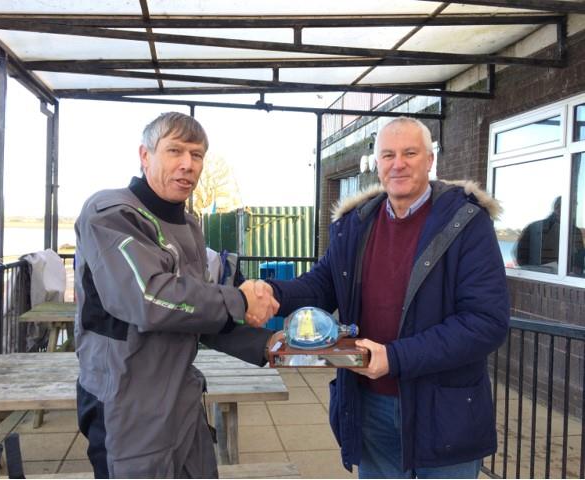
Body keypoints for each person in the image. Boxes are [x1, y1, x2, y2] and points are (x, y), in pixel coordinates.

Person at [250, 117, 510, 478]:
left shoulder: (467, 224)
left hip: (442, 412)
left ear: (430, 159)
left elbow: (486, 323)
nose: (398, 163)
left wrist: (396, 357)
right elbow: (322, 285)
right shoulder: (356, 224)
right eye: (388, 154)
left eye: (410, 153)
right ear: (377, 163)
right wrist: (272, 293)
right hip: (369, 406)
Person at [73, 112, 279, 478]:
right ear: (145, 155)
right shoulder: (109, 213)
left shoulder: (189, 225)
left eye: (197, 155)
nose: (187, 165)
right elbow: (149, 298)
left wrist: (270, 345)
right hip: (126, 403)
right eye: (175, 151)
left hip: (181, 397)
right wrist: (241, 300)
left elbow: (193, 311)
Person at [514, 196, 584, 274]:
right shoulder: (535, 228)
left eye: (574, 207)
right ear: (556, 208)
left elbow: (579, 260)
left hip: (568, 280)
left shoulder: (576, 232)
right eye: (570, 206)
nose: (573, 210)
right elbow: (520, 254)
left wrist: (576, 270)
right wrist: (534, 272)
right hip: (542, 278)